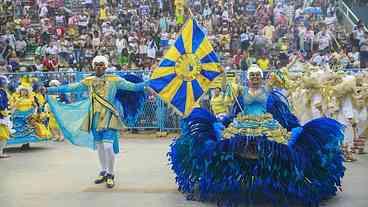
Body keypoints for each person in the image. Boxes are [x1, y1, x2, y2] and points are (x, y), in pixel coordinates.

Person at [168, 65, 345, 206]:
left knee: (286, 145)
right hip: (243, 122)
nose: (254, 79)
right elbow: (228, 93)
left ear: (261, 77)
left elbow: (282, 86)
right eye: (251, 76)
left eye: (257, 75)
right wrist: (222, 74)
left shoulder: (267, 90)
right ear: (247, 77)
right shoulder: (240, 91)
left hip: (267, 123)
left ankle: (278, 183)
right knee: (225, 141)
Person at [46, 55, 147, 188]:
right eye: (96, 64)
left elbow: (134, 87)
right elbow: (71, 87)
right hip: (94, 118)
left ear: (106, 66)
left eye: (101, 64)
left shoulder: (114, 79)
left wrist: (153, 82)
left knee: (108, 146)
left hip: (109, 118)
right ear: (93, 66)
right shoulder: (89, 81)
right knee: (99, 146)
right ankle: (103, 171)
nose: (99, 67)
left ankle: (111, 174)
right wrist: (50, 89)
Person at [0, 76, 11, 158]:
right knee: (4, 135)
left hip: (3, 115)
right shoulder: (1, 92)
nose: (6, 84)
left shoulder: (3, 91)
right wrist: (3, 110)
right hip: (1, 116)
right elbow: (1, 105)